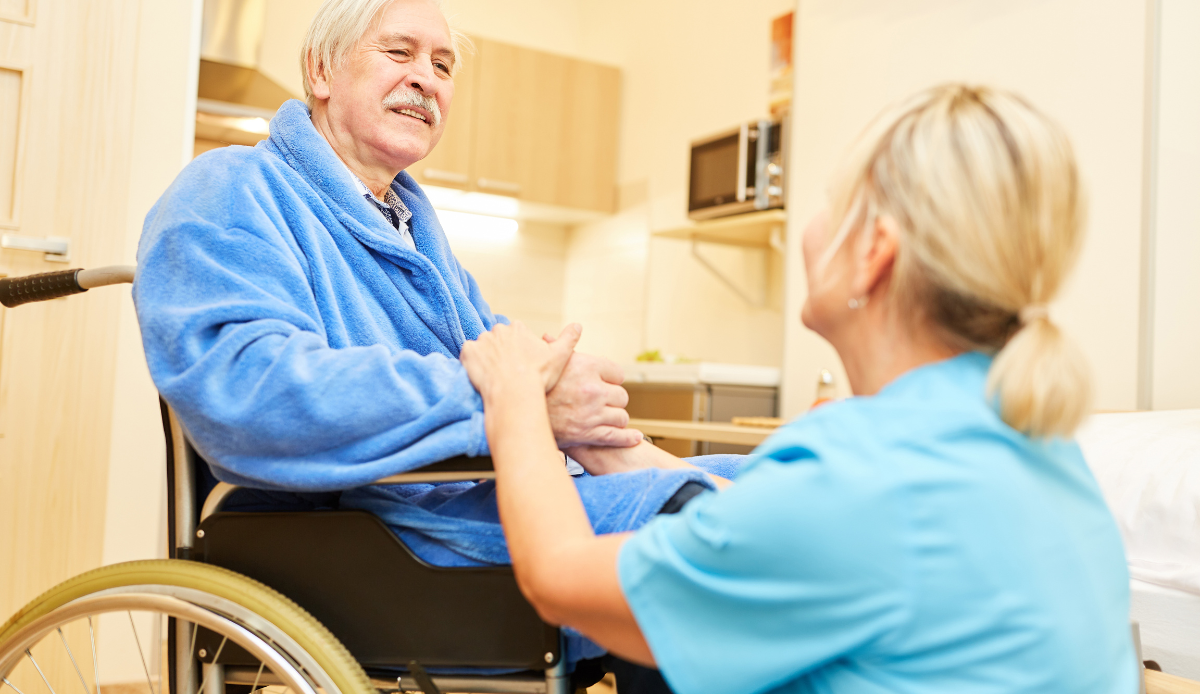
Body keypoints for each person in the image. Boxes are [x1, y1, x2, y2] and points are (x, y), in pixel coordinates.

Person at [460, 84, 1137, 693]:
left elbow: (560, 579)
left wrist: (517, 395)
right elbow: (765, 515)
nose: (813, 228)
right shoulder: (1019, 431)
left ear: (875, 253)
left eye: (832, 206)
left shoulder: (864, 478)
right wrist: (605, 442)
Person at [133, 0, 739, 675]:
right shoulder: (232, 190)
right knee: (689, 530)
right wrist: (515, 405)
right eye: (401, 52)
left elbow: (504, 362)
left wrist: (592, 420)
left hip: (459, 495)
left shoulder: (414, 230)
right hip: (366, 529)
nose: (428, 78)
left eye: (443, 64)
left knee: (767, 489)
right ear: (321, 69)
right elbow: (248, 388)